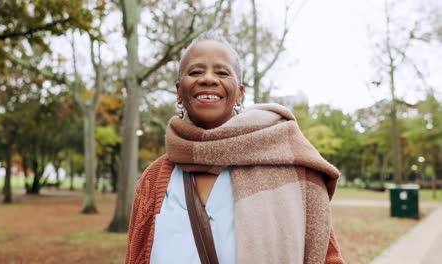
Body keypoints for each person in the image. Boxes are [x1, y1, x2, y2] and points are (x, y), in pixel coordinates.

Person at [125, 31, 344, 264]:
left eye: (221, 72)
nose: (208, 79)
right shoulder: (154, 178)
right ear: (179, 92)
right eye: (196, 72)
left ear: (239, 94)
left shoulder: (290, 165)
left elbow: (326, 256)